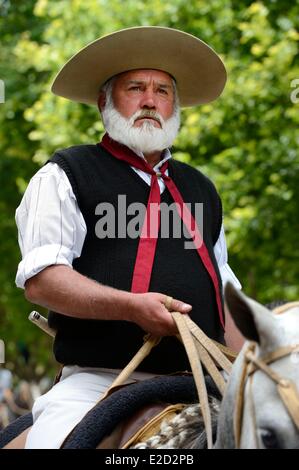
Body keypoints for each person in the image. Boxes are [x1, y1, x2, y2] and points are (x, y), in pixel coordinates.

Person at [15, 26, 242, 448]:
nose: (150, 101)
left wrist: (255, 367)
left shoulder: (203, 190)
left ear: (174, 105)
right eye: (135, 88)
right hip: (96, 384)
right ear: (105, 101)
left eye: (162, 91)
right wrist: (132, 308)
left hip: (204, 381)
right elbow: (43, 278)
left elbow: (226, 294)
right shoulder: (65, 174)